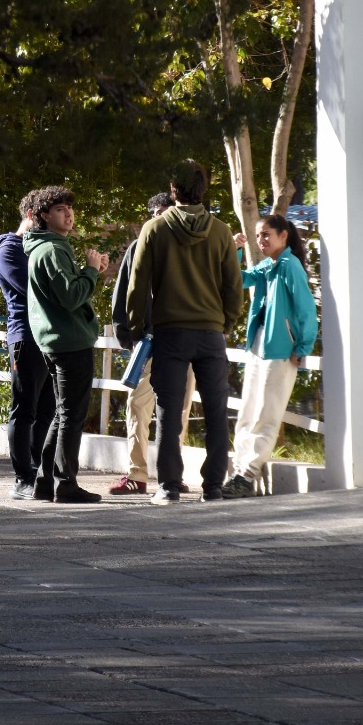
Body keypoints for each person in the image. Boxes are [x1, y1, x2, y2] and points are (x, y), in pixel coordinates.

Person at [125, 160, 243, 504]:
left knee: (168, 412)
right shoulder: (221, 231)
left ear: (173, 190)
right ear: (204, 190)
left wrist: (136, 328)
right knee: (217, 413)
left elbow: (137, 285)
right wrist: (225, 325)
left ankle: (169, 486)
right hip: (210, 334)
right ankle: (214, 487)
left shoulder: (155, 229)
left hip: (170, 333)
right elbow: (233, 288)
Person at [219, 215, 319, 500]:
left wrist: (303, 346)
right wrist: (234, 250)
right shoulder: (270, 265)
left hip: (281, 351)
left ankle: (248, 475)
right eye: (258, 235)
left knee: (266, 414)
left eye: (266, 235)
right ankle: (239, 472)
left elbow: (305, 309)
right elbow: (236, 280)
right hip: (258, 348)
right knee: (248, 412)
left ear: (283, 235)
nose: (261, 240)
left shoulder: (290, 266)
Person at [24, 186, 110, 504]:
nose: (69, 214)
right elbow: (72, 296)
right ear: (44, 216)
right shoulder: (52, 250)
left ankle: (45, 483)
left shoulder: (46, 248)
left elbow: (68, 292)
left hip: (56, 340)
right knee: (72, 415)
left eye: (69, 208)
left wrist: (90, 272)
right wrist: (89, 269)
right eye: (60, 209)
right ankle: (65, 484)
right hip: (69, 341)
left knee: (62, 414)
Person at [108, 192, 173, 494]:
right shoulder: (138, 248)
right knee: (139, 407)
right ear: (150, 215)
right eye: (157, 212)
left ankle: (173, 475)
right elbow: (124, 293)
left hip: (181, 341)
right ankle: (137, 474)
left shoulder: (186, 247)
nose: (162, 217)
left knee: (178, 411)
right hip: (148, 342)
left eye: (168, 211)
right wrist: (128, 337)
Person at [0, 191, 57, 500]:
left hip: (51, 339)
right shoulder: (10, 249)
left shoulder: (47, 248)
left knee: (47, 410)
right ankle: (22, 478)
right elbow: (37, 290)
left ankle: (38, 472)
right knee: (24, 409)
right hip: (25, 338)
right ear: (32, 216)